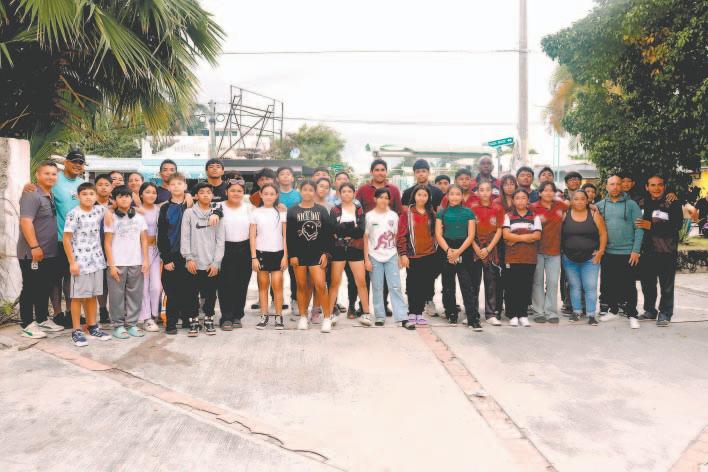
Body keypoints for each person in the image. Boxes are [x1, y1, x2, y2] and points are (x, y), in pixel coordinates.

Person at [17, 161, 64, 338]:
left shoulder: (49, 195)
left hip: (49, 252)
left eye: (53, 174)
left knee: (44, 286)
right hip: (32, 253)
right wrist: (34, 246)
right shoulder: (31, 194)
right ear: (37, 175)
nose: (51, 177)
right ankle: (27, 324)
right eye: (46, 173)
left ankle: (42, 319)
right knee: (31, 287)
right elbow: (26, 222)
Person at [62, 182, 112, 346]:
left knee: (92, 295)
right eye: (84, 194)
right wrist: (72, 262)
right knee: (78, 297)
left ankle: (92, 326)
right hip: (80, 262)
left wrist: (109, 212)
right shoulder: (73, 214)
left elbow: (113, 206)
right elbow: (66, 239)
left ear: (96, 196)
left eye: (91, 194)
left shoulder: (99, 210)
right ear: (78, 196)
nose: (88, 197)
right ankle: (76, 330)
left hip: (97, 260)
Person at [596, 175, 644, 328]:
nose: (615, 187)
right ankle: (613, 311)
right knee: (610, 284)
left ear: (622, 186)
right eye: (612, 184)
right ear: (606, 186)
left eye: (618, 184)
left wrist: (636, 250)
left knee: (629, 285)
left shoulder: (631, 205)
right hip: (608, 252)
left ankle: (632, 314)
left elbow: (639, 228)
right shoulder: (599, 206)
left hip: (628, 253)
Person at [364, 188, 415, 330]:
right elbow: (366, 238)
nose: (383, 200)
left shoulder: (393, 216)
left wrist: (399, 255)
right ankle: (380, 316)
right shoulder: (369, 216)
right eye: (380, 197)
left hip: (391, 255)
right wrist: (366, 259)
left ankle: (402, 317)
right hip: (374, 256)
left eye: (386, 198)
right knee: (377, 287)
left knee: (395, 286)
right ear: (375, 199)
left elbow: (397, 236)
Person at [287, 180, 334, 333]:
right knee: (301, 286)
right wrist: (292, 255)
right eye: (305, 189)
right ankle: (303, 316)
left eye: (310, 190)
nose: (307, 192)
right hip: (299, 255)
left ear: (314, 192)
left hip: (317, 254)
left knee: (320, 285)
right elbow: (290, 236)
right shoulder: (292, 211)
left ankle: (327, 318)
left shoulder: (321, 210)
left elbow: (327, 234)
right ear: (300, 191)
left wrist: (326, 254)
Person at [636, 175, 683, 326]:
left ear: (664, 186)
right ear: (647, 187)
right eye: (653, 185)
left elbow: (676, 225)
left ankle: (665, 314)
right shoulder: (641, 202)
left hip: (666, 250)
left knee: (666, 285)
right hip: (646, 251)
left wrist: (651, 226)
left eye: (660, 185)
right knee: (647, 284)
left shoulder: (672, 202)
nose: (656, 188)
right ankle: (650, 311)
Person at [104, 186, 149, 339]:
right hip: (117, 263)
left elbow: (144, 240)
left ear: (132, 198)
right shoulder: (111, 217)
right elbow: (107, 243)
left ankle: (132, 324)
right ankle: (118, 325)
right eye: (120, 196)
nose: (124, 199)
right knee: (116, 296)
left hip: (136, 262)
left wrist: (145, 260)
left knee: (135, 295)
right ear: (115, 200)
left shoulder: (139, 218)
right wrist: (111, 265)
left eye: (127, 196)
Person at [181, 182, 225, 337]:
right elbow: (185, 237)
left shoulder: (217, 214)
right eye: (202, 192)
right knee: (191, 293)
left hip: (211, 263)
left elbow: (220, 240)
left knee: (211, 294)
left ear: (212, 195)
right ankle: (193, 320)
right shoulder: (189, 213)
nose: (206, 195)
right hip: (193, 262)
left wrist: (216, 262)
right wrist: (188, 258)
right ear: (196, 196)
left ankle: (208, 318)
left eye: (208, 192)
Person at [435, 185, 481, 330]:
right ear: (447, 196)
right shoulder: (442, 213)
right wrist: (449, 251)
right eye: (452, 194)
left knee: (467, 284)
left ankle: (473, 318)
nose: (454, 197)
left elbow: (471, 235)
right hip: (446, 248)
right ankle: (451, 313)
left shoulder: (468, 212)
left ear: (462, 196)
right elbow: (438, 235)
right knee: (448, 284)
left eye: (458, 194)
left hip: (464, 248)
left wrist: (458, 252)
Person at [49, 150, 86, 328]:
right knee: (56, 278)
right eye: (74, 161)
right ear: (66, 162)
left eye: (81, 162)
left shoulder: (82, 184)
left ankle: (72, 312)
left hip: (78, 240)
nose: (78, 165)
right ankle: (57, 313)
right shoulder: (55, 180)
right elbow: (39, 189)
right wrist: (28, 186)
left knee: (72, 277)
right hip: (58, 238)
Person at [561, 189, 607, 325]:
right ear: (571, 201)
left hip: (590, 258)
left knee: (590, 286)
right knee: (574, 286)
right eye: (576, 199)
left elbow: (603, 234)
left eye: (582, 199)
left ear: (587, 201)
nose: (579, 201)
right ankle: (576, 312)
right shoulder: (565, 214)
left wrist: (601, 252)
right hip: (569, 258)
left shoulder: (594, 214)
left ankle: (591, 314)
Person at [328, 183, 371, 322]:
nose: (346, 193)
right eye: (344, 191)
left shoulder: (359, 209)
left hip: (355, 248)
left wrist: (343, 229)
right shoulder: (334, 210)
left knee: (361, 282)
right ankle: (329, 314)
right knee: (335, 282)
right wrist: (350, 228)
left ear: (354, 193)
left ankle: (366, 313)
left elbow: (361, 231)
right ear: (339, 193)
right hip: (338, 249)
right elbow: (333, 229)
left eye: (349, 191)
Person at [398, 185, 439, 326]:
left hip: (430, 254)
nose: (422, 198)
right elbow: (401, 235)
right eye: (419, 194)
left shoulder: (431, 213)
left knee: (424, 285)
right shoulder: (407, 213)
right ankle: (412, 312)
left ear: (428, 197)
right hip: (413, 256)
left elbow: (436, 233)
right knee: (412, 285)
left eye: (425, 195)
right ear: (414, 196)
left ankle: (419, 313)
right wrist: (403, 254)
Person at [157, 173, 192, 334]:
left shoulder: (191, 205)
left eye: (179, 183)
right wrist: (166, 258)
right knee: (171, 291)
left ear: (185, 186)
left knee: (188, 289)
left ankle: (187, 319)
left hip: (189, 255)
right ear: (168, 187)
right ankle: (171, 322)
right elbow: (162, 235)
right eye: (173, 184)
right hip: (171, 254)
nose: (176, 186)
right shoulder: (165, 208)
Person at [250, 183, 288, 329]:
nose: (269, 196)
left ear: (276, 195)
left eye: (272, 194)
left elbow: (285, 236)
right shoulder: (255, 213)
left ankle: (279, 317)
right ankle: (264, 316)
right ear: (260, 194)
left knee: (277, 285)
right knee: (263, 286)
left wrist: (285, 256)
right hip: (261, 253)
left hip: (278, 253)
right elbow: (252, 236)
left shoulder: (281, 213)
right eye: (266, 194)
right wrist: (254, 257)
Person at [502, 189, 542, 327]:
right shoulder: (508, 216)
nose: (520, 200)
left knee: (526, 286)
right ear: (513, 201)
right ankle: (512, 314)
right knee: (512, 286)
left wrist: (516, 238)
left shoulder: (534, 217)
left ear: (528, 200)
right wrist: (527, 238)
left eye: (523, 198)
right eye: (517, 198)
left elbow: (537, 236)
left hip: (529, 257)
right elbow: (506, 235)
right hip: (512, 258)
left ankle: (523, 314)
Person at [217, 177, 253, 330]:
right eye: (232, 190)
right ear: (226, 192)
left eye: (239, 191)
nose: (236, 193)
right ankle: (226, 317)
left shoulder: (249, 208)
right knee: (225, 284)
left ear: (243, 193)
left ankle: (238, 315)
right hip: (224, 248)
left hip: (245, 248)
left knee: (241, 283)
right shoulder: (218, 206)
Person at [530, 181, 568, 324]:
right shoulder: (532, 207)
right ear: (539, 193)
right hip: (536, 251)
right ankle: (538, 311)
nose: (548, 193)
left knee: (552, 282)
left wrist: (592, 206)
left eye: (551, 190)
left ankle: (551, 311)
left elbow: (575, 204)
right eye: (545, 190)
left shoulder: (560, 205)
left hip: (555, 251)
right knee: (537, 282)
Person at [470, 181, 505, 326]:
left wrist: (488, 248)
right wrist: (475, 247)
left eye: (487, 190)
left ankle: (490, 314)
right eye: (481, 190)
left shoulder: (498, 208)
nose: (484, 193)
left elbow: (499, 230)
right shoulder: (472, 208)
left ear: (492, 191)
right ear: (477, 192)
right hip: (474, 248)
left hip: (491, 249)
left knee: (491, 283)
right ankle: (473, 313)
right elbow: (469, 230)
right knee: (474, 283)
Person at [276, 166, 302, 317]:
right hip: (275, 236)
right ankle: (275, 301)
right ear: (277, 178)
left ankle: (295, 300)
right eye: (282, 174)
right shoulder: (273, 193)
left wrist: (288, 212)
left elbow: (303, 212)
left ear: (292, 178)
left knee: (294, 272)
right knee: (276, 271)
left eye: (288, 174)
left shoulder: (299, 195)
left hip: (294, 237)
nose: (285, 176)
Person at [138, 182, 161, 332]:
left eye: (154, 192)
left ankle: (155, 313)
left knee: (156, 286)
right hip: (140, 250)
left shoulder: (159, 209)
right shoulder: (136, 210)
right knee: (144, 286)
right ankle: (146, 317)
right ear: (141, 194)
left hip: (156, 250)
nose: (151, 195)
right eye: (147, 192)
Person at [496, 174, 518, 318]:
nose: (509, 187)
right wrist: (505, 238)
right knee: (499, 278)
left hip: (517, 244)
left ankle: (511, 309)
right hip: (500, 244)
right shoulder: (497, 202)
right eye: (506, 184)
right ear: (502, 187)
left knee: (512, 279)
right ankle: (497, 308)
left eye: (512, 184)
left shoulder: (520, 200)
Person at [94, 174, 113, 324]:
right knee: (100, 282)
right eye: (100, 184)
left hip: (113, 247)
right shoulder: (89, 203)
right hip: (94, 248)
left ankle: (116, 310)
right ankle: (102, 308)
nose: (103, 187)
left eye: (107, 184)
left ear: (111, 187)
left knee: (112, 280)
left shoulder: (117, 203)